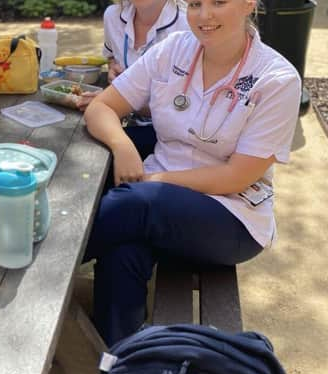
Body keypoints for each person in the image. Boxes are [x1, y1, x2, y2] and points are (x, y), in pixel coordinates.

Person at [83, 0, 301, 347]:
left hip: (229, 216)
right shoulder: (174, 50)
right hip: (152, 208)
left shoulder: (276, 79)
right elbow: (102, 106)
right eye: (196, 3)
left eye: (218, 2)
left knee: (137, 206)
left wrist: (155, 181)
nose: (204, 15)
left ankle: (41, 265)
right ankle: (121, 364)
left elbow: (236, 176)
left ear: (249, 4)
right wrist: (122, 145)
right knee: (122, 251)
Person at [76, 0, 189, 113]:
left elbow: (183, 108)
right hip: (119, 118)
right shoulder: (113, 16)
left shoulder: (188, 26)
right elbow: (111, 56)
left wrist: (113, 101)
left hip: (163, 127)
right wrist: (113, 66)